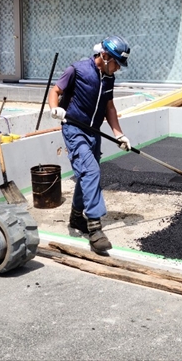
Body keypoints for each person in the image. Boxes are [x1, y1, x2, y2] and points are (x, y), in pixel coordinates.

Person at [48, 35, 132, 254]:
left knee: (87, 174)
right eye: (116, 63)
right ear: (105, 56)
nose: (117, 69)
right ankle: (95, 228)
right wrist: (55, 109)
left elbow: (109, 108)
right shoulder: (77, 70)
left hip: (94, 133)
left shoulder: (108, 78)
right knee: (91, 170)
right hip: (74, 129)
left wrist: (119, 135)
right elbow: (55, 91)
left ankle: (76, 217)